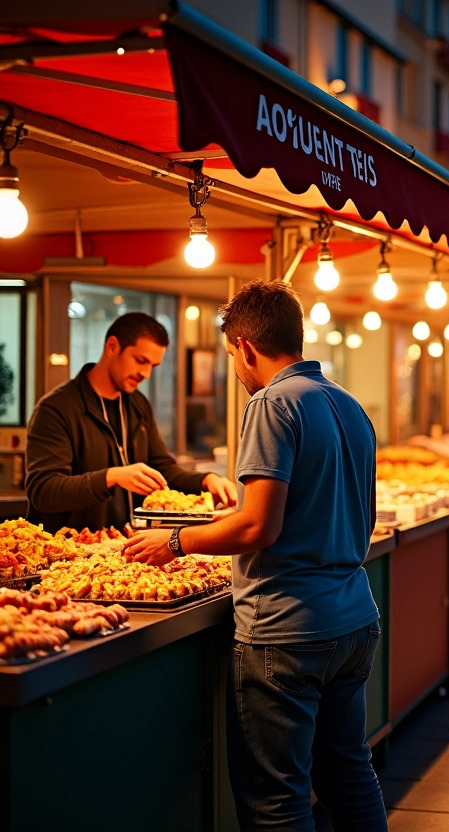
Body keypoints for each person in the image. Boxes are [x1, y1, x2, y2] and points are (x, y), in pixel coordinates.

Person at [122, 283, 386, 831]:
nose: (237, 372)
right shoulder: (349, 404)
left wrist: (174, 542)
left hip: (287, 631)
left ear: (245, 347)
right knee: (349, 774)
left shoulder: (271, 403)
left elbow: (257, 524)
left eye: (232, 358)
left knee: (276, 799)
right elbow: (362, 523)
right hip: (353, 618)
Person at [25, 312, 237, 532]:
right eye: (140, 361)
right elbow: (43, 491)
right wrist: (112, 476)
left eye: (152, 366)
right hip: (68, 551)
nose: (145, 374)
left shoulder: (137, 404)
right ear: (112, 347)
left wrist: (205, 480)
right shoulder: (56, 408)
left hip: (124, 546)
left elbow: (163, 470)